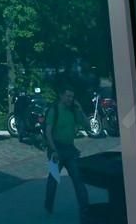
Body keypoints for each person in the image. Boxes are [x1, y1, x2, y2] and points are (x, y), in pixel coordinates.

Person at [44, 85, 90, 217]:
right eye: (68, 96)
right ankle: (48, 206)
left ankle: (85, 208)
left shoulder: (73, 111)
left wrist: (80, 110)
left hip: (70, 149)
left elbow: (87, 126)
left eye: (72, 97)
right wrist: (53, 150)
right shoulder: (54, 110)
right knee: (53, 179)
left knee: (78, 178)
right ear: (61, 96)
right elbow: (48, 132)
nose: (70, 99)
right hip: (55, 148)